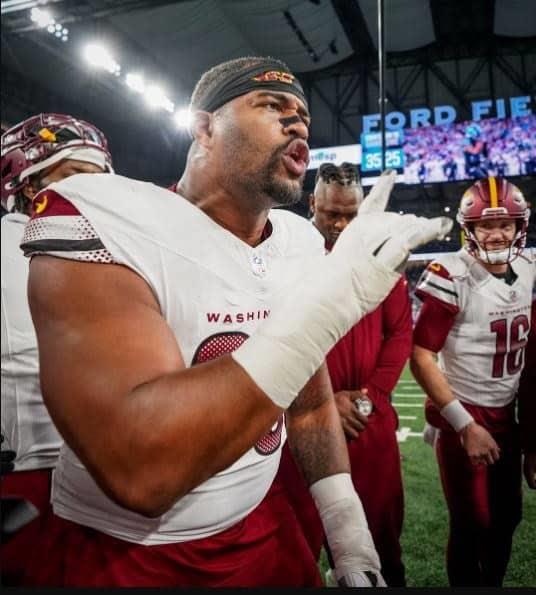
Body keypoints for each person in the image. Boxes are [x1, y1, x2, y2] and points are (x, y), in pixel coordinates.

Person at [21, 56, 450, 587]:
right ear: (203, 126)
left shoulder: (299, 243)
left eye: (303, 116)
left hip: (263, 523)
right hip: (127, 552)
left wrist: (347, 532)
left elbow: (311, 407)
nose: (297, 123)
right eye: (272, 105)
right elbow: (141, 470)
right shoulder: (107, 217)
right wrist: (331, 302)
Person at [274, 162, 412, 586]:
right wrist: (319, 401)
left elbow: (400, 332)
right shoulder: (285, 249)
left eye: (350, 215)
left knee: (381, 547)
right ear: (311, 202)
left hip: (366, 422)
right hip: (302, 424)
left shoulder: (382, 251)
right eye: (331, 213)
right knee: (294, 552)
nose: (340, 224)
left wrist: (370, 396)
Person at [0, 113, 114, 585]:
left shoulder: (114, 250)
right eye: (74, 177)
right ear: (28, 185)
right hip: (24, 477)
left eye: (100, 181)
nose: (93, 195)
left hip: (104, 472)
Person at [410, 176, 534, 587]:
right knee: (472, 521)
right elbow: (421, 355)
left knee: (507, 518)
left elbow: (532, 359)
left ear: (520, 227)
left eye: (505, 225)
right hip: (464, 408)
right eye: (485, 225)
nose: (496, 234)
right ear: (470, 229)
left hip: (508, 410)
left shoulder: (530, 270)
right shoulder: (453, 273)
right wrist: (464, 425)